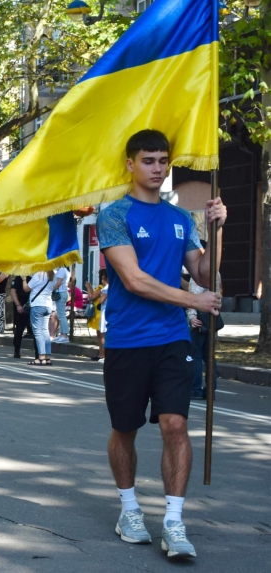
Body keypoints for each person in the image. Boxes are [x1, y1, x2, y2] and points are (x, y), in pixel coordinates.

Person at [97, 129, 226, 559]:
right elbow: (133, 280)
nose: (157, 168)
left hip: (173, 337)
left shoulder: (180, 219)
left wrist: (216, 231)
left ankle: (174, 521)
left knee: (175, 425)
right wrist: (193, 299)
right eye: (149, 160)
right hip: (128, 340)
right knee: (125, 429)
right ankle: (129, 509)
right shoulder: (113, 215)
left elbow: (205, 274)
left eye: (163, 161)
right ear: (131, 165)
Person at [186, 247, 221, 400]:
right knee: (210, 356)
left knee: (196, 355)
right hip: (211, 318)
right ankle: (211, 389)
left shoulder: (197, 275)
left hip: (199, 318)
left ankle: (195, 388)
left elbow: (193, 297)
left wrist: (191, 316)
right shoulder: (216, 273)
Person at [24, 271, 55, 366]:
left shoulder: (38, 275)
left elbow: (26, 288)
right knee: (45, 330)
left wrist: (24, 279)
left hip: (37, 305)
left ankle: (41, 357)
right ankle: (47, 357)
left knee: (37, 331)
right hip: (48, 305)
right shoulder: (53, 274)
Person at [10, 275, 38, 360]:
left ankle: (38, 354)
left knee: (35, 331)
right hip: (22, 305)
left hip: (34, 306)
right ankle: (16, 351)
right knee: (19, 329)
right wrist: (18, 304)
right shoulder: (20, 276)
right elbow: (13, 290)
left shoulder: (38, 276)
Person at [86, 269, 109, 362]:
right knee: (100, 335)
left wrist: (88, 287)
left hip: (100, 313)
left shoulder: (102, 288)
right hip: (99, 313)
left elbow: (92, 297)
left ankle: (102, 354)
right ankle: (101, 353)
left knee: (101, 335)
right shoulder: (102, 288)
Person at [52, 266, 70, 343]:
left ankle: (65, 335)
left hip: (60, 293)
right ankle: (62, 334)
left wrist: (51, 290)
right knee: (60, 315)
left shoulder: (62, 269)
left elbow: (58, 283)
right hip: (62, 292)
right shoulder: (63, 269)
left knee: (61, 315)